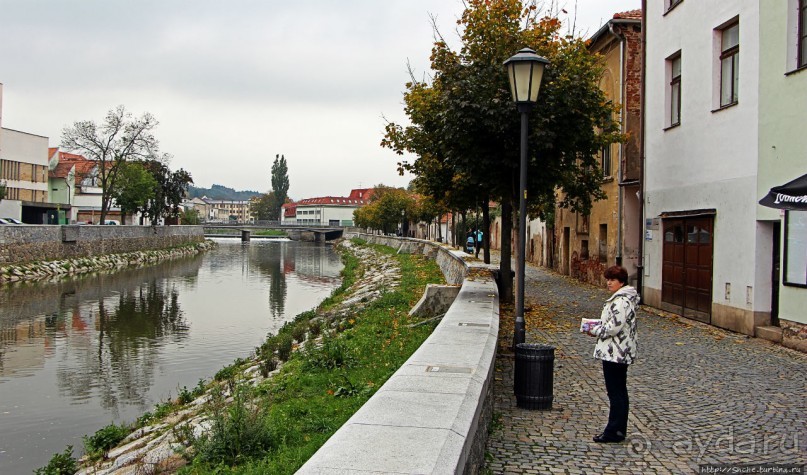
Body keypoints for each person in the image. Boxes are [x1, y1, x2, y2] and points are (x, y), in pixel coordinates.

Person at [585, 265, 638, 443]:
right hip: (617, 351)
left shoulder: (622, 301)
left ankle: (613, 431)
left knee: (616, 392)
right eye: (608, 279)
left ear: (621, 282)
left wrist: (594, 330)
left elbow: (613, 328)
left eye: (612, 280)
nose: (608, 283)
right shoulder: (622, 298)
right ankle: (617, 430)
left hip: (615, 352)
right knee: (618, 391)